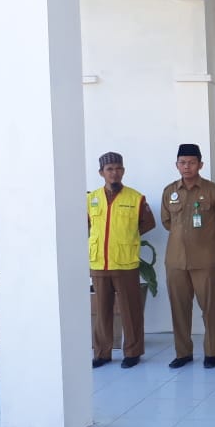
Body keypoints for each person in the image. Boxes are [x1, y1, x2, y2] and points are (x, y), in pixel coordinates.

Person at [161, 143, 215, 369]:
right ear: (177, 165)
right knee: (179, 309)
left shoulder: (212, 191)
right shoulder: (170, 191)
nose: (187, 167)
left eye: (192, 162)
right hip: (175, 261)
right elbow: (167, 221)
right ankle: (183, 353)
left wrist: (210, 232)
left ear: (200, 164)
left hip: (205, 260)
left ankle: (211, 352)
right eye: (182, 162)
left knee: (210, 309)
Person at [88, 152, 156, 369]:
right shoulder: (91, 199)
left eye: (118, 168)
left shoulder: (135, 198)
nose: (114, 173)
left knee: (130, 310)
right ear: (101, 173)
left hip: (125, 263)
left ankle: (133, 352)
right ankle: (102, 353)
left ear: (123, 171)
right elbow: (87, 225)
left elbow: (148, 223)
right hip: (100, 263)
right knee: (102, 312)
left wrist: (127, 237)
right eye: (109, 169)